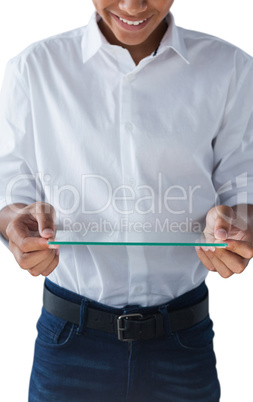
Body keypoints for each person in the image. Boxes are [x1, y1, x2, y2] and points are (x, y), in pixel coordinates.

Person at [0, 0, 253, 401]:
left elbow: (244, 188)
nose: (133, 5)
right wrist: (16, 222)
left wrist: (239, 223)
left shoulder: (232, 70)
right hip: (69, 344)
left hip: (183, 343)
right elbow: (10, 191)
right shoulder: (32, 69)